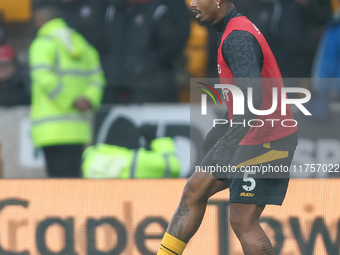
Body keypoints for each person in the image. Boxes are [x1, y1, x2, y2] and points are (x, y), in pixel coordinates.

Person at [157, 0, 298, 254]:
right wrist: (225, 127)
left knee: (242, 221)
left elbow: (253, 97)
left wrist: (228, 143)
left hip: (265, 139)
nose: (192, 4)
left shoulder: (237, 38)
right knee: (193, 192)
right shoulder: (234, 31)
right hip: (249, 133)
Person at [29, 2, 106, 178]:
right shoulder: (82, 44)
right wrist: (88, 99)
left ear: (40, 19)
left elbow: (45, 79)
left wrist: (71, 99)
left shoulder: (43, 43)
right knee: (74, 181)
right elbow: (97, 77)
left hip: (51, 129)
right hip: (78, 127)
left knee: (58, 185)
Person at [102, 0, 189, 104]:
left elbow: (172, 43)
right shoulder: (112, 10)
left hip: (152, 85)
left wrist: (143, 66)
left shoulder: (158, 10)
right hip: (115, 83)